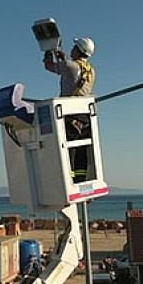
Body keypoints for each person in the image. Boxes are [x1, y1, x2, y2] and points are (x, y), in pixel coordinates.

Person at [43, 36, 96, 181]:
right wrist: (64, 58)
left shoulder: (70, 66)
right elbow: (72, 74)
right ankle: (80, 181)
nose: (72, 49)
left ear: (79, 50)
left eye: (74, 47)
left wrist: (48, 50)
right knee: (80, 154)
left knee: (67, 153)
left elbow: (49, 66)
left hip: (69, 116)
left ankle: (67, 181)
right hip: (84, 117)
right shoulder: (91, 70)